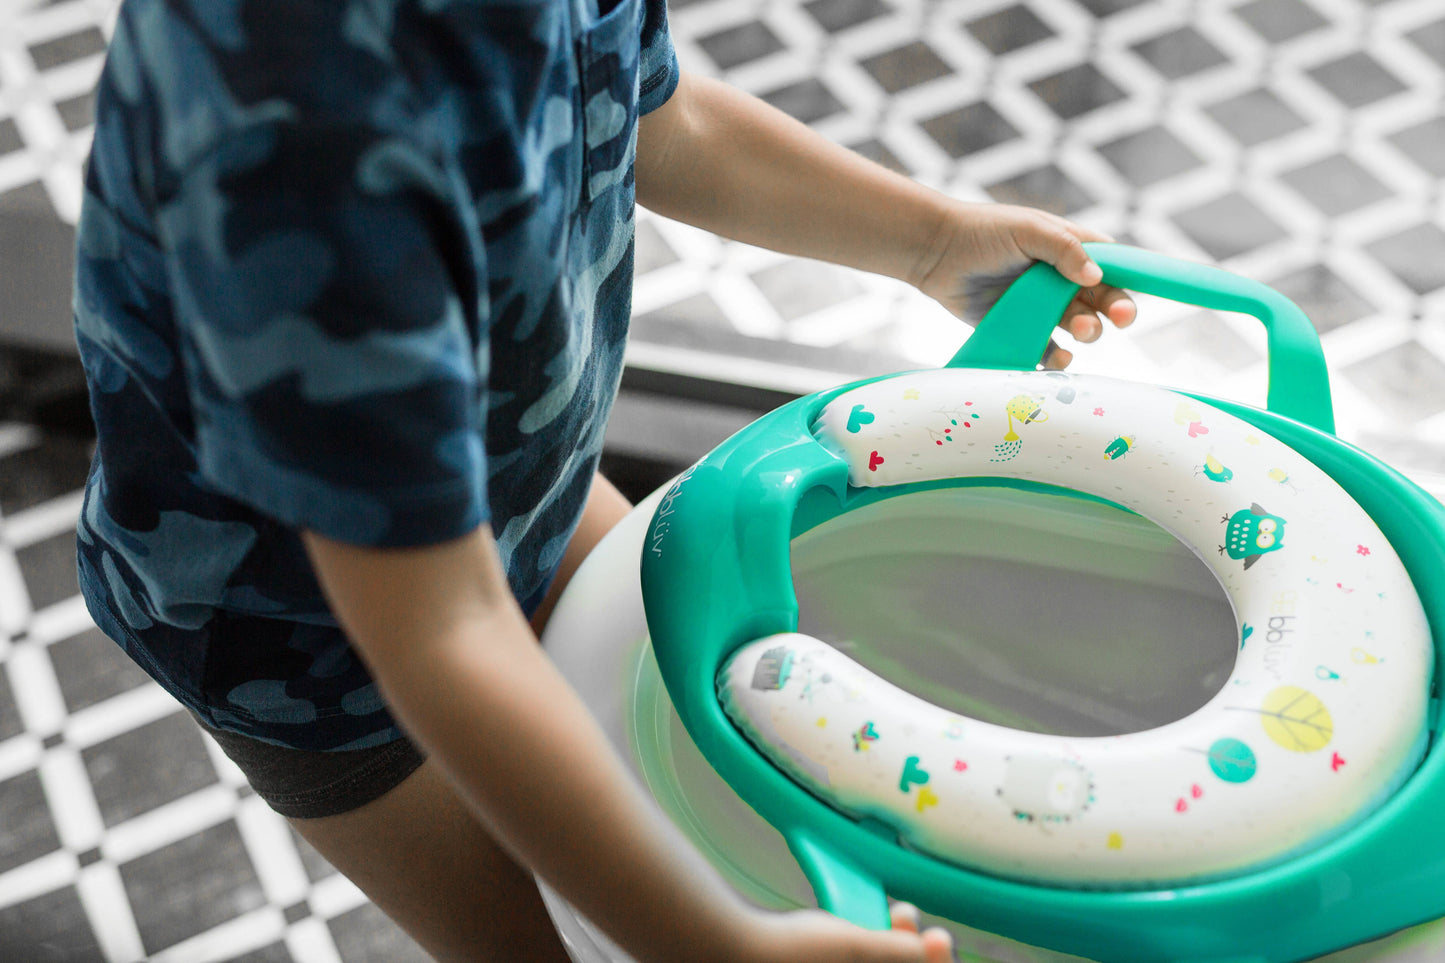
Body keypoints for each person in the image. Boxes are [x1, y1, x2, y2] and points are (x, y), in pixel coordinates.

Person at [72, 0, 1135, 960]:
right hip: (314, 649)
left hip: (520, 495)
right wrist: (709, 946)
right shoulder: (307, 133)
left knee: (680, 773)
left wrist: (930, 241)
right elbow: (438, 638)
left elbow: (667, 126)